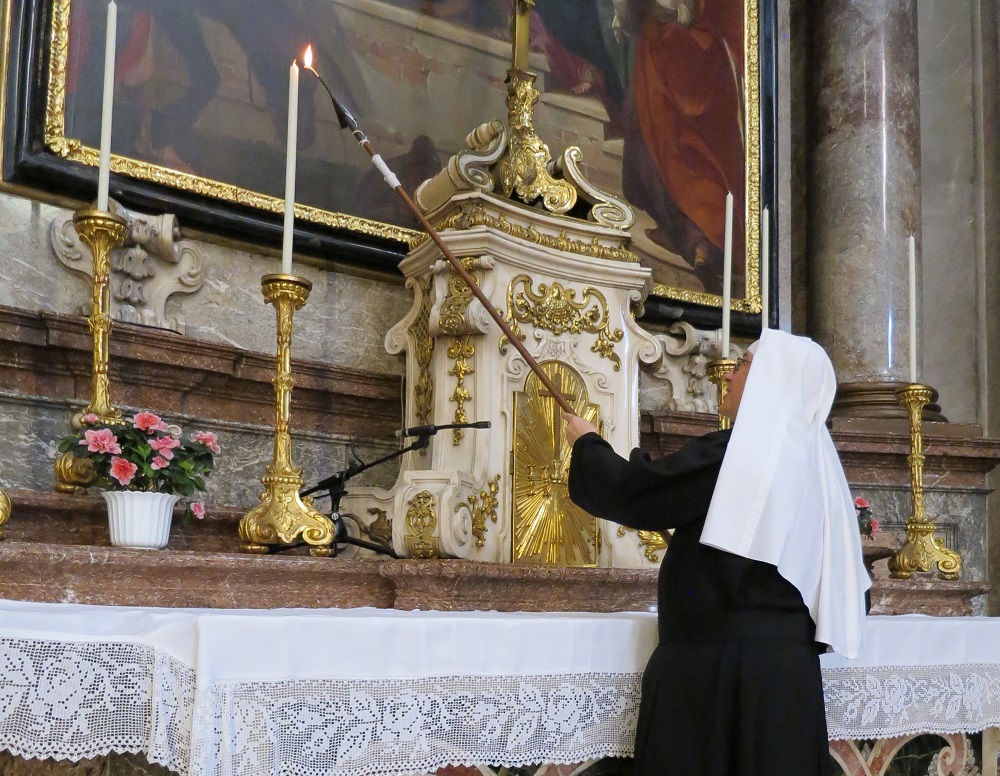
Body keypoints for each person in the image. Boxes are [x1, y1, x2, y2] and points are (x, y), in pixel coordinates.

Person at [563, 329, 870, 775]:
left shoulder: (741, 455)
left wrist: (588, 446)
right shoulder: (822, 473)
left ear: (771, 377)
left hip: (716, 677)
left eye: (744, 363)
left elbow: (643, 494)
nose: (728, 374)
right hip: (788, 682)